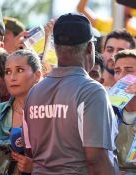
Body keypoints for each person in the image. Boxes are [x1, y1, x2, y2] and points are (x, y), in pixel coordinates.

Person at [22, 13, 118, 175]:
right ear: (89, 48)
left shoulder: (34, 92)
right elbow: (96, 160)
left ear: (56, 47)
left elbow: (30, 151)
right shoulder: (91, 91)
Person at [0, 49, 42, 174]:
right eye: (8, 72)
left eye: (20, 70)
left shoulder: (50, 113)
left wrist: (36, 168)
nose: (12, 77)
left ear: (37, 75)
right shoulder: (0, 111)